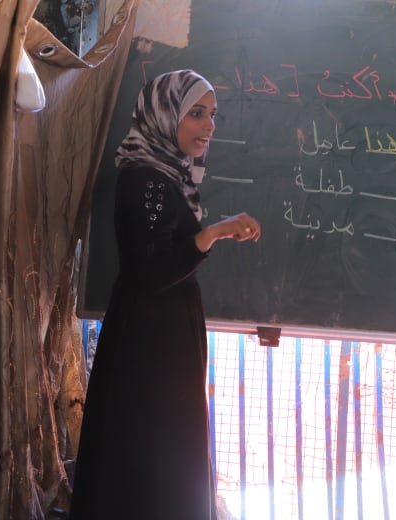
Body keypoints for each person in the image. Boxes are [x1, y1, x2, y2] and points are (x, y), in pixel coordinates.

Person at [69, 69, 261, 520]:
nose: (209, 125)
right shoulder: (147, 180)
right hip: (150, 342)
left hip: (160, 335)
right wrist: (210, 235)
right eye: (196, 114)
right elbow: (151, 271)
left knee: (160, 450)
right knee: (154, 451)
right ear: (164, 115)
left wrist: (206, 237)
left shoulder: (168, 175)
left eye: (212, 114)